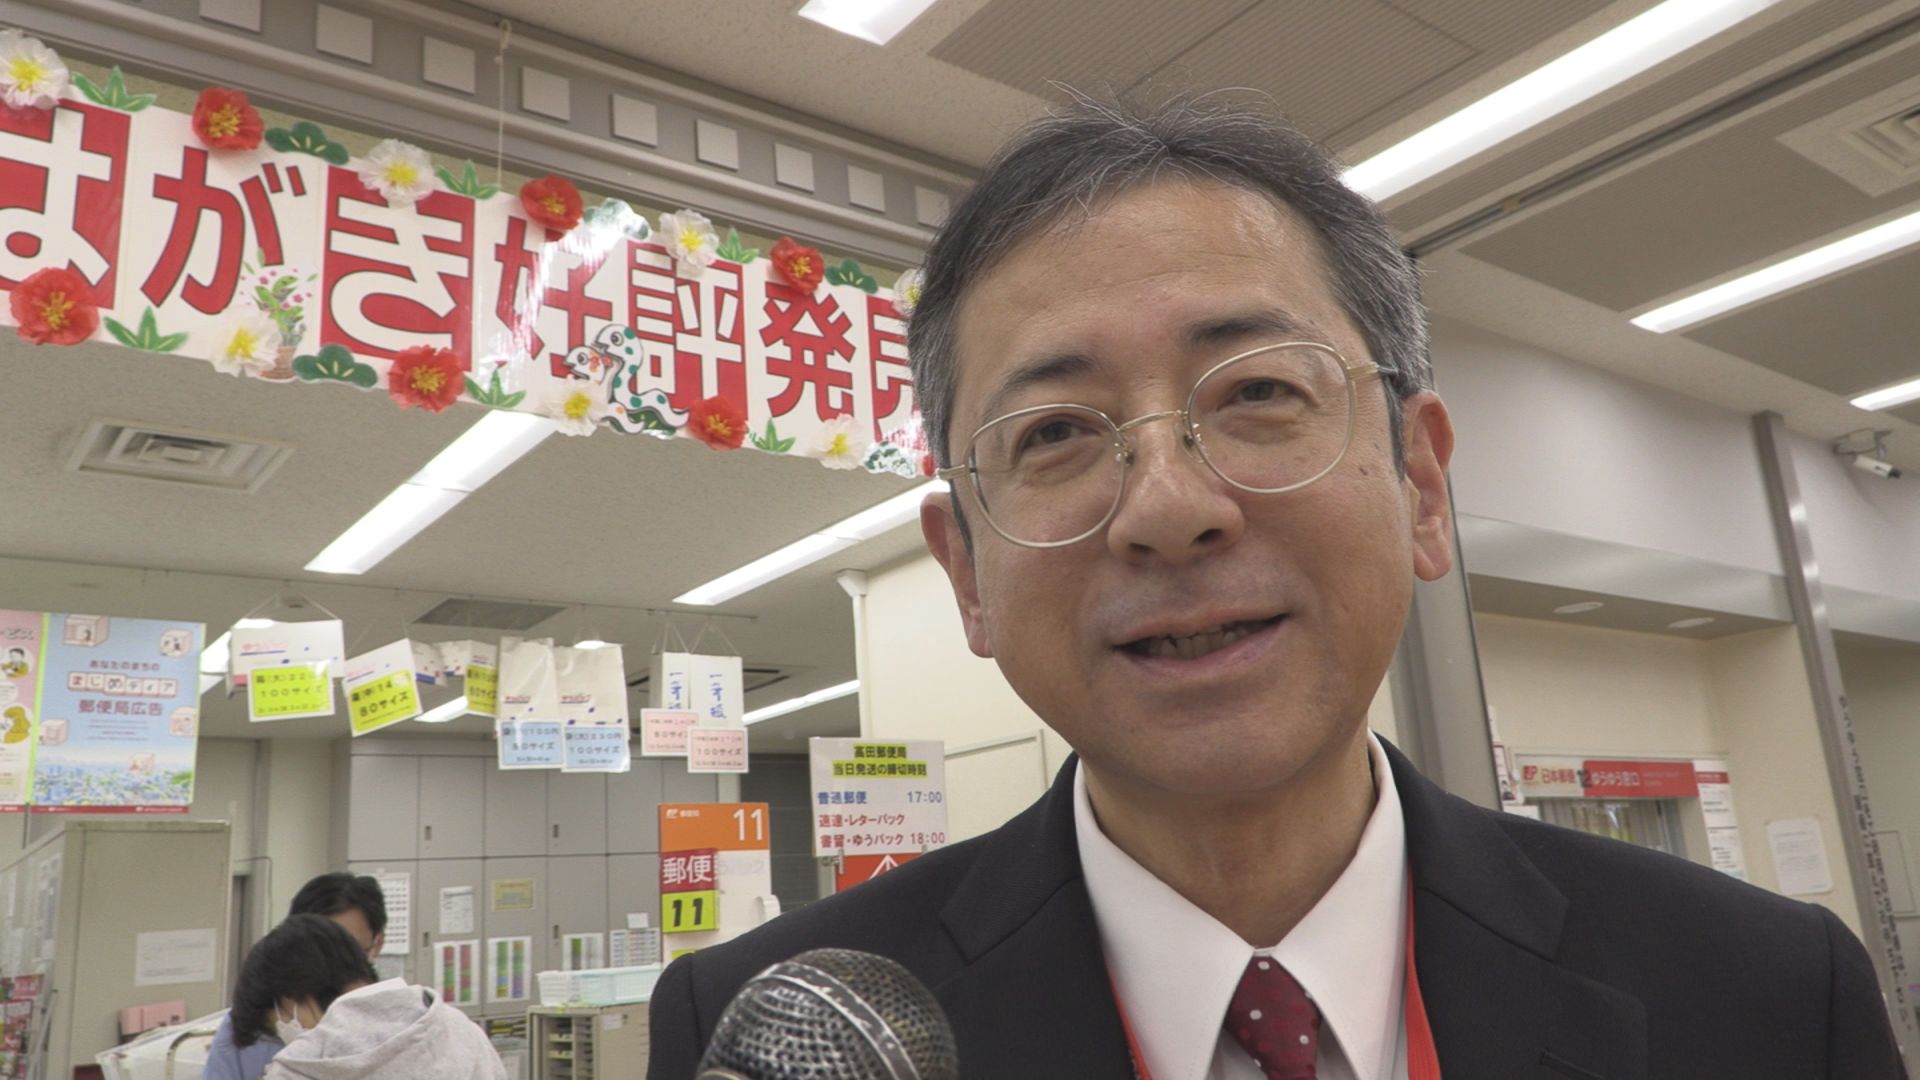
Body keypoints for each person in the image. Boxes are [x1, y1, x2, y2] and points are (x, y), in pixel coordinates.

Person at [647, 96, 1905, 1078]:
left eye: (1258, 392)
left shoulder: (1767, 995)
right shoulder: (764, 1035)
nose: (1168, 508)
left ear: (1421, 485)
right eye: (1057, 433)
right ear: (966, 570)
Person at [229, 915, 505, 1080]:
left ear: (289, 1001)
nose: (285, 1040)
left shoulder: (300, 1068)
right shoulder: (462, 1031)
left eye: (277, 1027)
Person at [205, 873, 389, 1080]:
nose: (330, 970)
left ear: (377, 944)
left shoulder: (396, 1030)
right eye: (315, 955)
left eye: (347, 952)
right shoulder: (252, 1022)